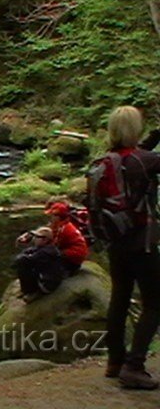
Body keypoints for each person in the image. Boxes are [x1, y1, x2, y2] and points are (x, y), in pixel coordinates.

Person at [101, 106, 160, 390]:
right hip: (143, 242)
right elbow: (146, 159)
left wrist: (156, 135)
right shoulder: (146, 160)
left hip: (116, 242)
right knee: (154, 302)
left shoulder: (104, 161)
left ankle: (115, 361)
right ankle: (134, 366)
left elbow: (136, 156)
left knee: (120, 298)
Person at [13, 226, 64, 303]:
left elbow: (23, 260)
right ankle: (28, 290)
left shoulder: (46, 252)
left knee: (23, 269)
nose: (34, 239)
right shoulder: (44, 247)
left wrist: (21, 258)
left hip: (48, 283)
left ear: (45, 240)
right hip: (46, 276)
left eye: (37, 237)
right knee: (24, 264)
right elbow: (27, 252)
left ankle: (33, 292)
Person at [45, 201, 89, 275]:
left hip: (73, 259)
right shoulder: (61, 225)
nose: (50, 218)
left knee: (48, 254)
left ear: (58, 217)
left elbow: (55, 245)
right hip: (72, 255)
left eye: (52, 216)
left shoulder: (64, 229)